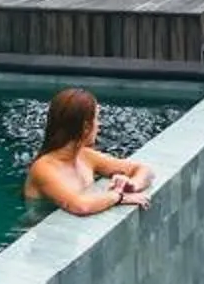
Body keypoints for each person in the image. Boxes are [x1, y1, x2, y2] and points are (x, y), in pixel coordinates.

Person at [25, 87, 154, 215]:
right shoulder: (43, 168)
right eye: (97, 119)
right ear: (86, 127)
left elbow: (145, 171)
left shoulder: (85, 156)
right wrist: (118, 196)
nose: (99, 125)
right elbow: (81, 206)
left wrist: (133, 185)